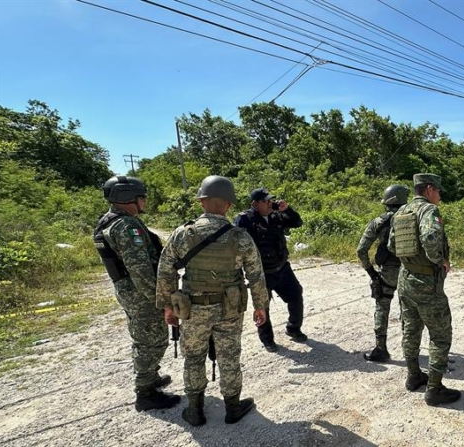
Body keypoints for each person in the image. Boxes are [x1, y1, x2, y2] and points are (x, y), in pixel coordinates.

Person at [156, 175, 269, 426]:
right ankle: (233, 407)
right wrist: (261, 306)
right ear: (229, 205)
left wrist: (167, 307)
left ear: (201, 202)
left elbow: (165, 272)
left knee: (194, 357)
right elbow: (256, 275)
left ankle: (195, 410)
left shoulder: (182, 234)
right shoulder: (240, 237)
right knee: (229, 356)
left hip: (193, 309)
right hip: (229, 309)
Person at [93, 175, 180, 412]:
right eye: (141, 197)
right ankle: (145, 392)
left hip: (129, 291)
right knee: (152, 340)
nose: (144, 201)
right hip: (141, 294)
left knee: (144, 336)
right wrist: (163, 301)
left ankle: (150, 377)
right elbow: (141, 270)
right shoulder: (127, 226)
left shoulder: (109, 221)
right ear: (127, 197)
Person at [387, 173, 460, 406]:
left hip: (405, 278)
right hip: (427, 282)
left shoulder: (401, 211)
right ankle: (435, 389)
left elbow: (391, 245)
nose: (439, 196)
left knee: (411, 329)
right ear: (429, 190)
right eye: (437, 191)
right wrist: (440, 260)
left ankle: (413, 376)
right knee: (440, 335)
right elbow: (430, 237)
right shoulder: (428, 211)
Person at [234, 187, 306, 353]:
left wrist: (287, 209)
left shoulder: (275, 215)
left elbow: (296, 223)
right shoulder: (244, 220)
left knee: (296, 294)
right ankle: (267, 339)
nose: (269, 204)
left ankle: (293, 328)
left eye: (270, 200)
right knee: (262, 306)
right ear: (255, 203)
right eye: (265, 201)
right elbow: (236, 246)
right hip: (260, 272)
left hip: (282, 268)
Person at [356, 184, 409, 362]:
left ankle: (381, 348)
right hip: (409, 271)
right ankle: (411, 350)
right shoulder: (413, 219)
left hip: (386, 272)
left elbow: (361, 250)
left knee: (382, 308)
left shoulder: (379, 222)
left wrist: (371, 273)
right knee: (409, 311)